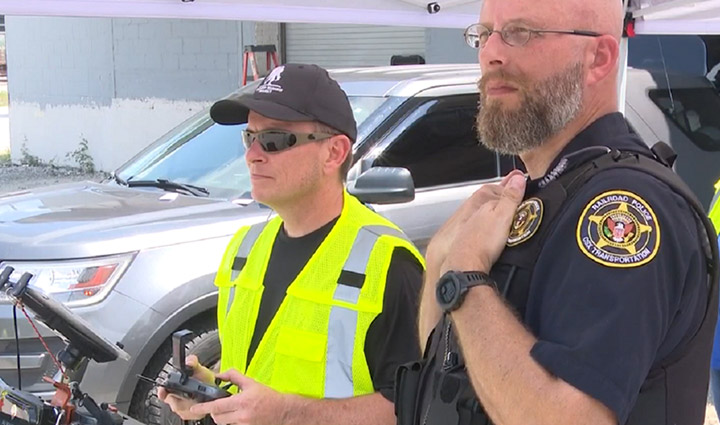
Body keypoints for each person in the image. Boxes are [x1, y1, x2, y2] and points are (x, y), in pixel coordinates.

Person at [398, 0, 719, 424]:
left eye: (520, 33)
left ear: (599, 58)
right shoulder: (535, 194)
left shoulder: (624, 207)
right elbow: (445, 375)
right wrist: (442, 259)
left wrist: (464, 277)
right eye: (484, 34)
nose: (491, 53)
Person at [158, 63, 425, 425]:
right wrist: (212, 395)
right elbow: (261, 380)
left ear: (334, 153)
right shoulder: (245, 249)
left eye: (274, 140)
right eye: (249, 138)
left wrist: (287, 413)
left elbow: (414, 409)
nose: (253, 155)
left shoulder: (389, 264)